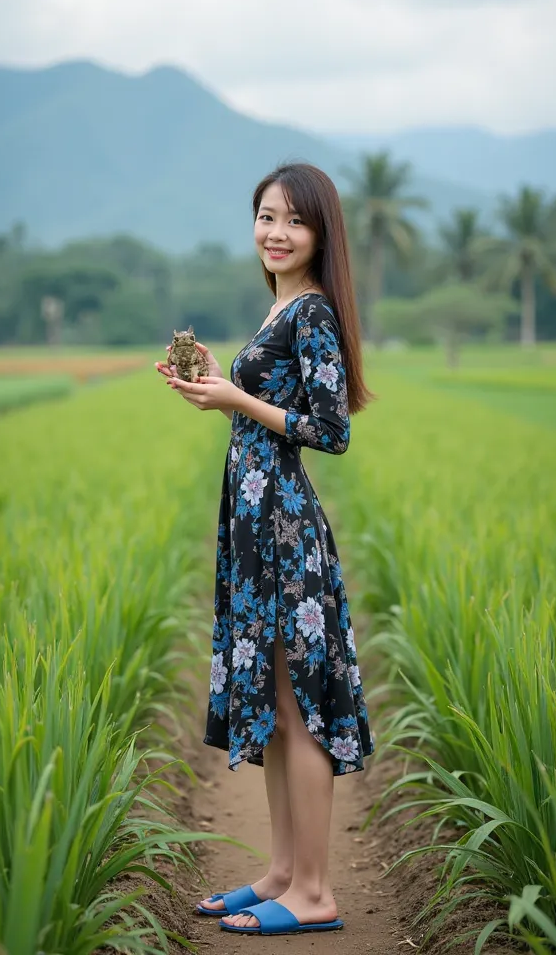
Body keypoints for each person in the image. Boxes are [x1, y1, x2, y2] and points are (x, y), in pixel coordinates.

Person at [155, 162, 375, 937]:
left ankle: (315, 890)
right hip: (256, 530)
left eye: (294, 221)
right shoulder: (278, 308)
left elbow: (330, 431)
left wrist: (238, 397)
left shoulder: (311, 313)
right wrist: (219, 390)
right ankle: (282, 871)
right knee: (278, 714)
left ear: (320, 234)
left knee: (299, 709)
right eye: (265, 217)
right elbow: (264, 421)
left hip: (284, 535)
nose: (276, 233)